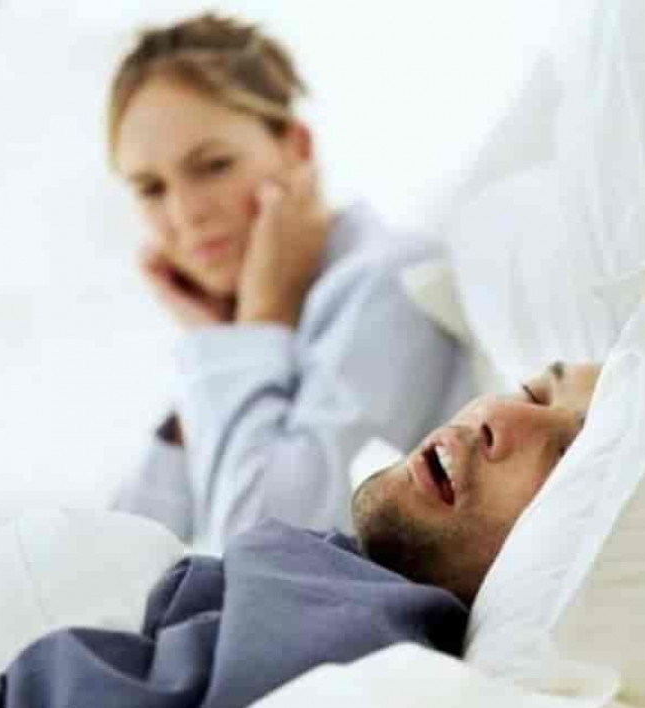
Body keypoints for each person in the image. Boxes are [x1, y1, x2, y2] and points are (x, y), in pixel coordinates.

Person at [0, 362, 599, 708]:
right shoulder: (325, 582)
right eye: (532, 392)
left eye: (570, 456)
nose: (498, 419)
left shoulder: (357, 647)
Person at [108, 13, 473, 551]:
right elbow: (114, 553)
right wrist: (219, 340)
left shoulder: (391, 284)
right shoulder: (240, 335)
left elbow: (265, 551)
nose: (185, 213)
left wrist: (259, 322)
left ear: (296, 147)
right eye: (151, 189)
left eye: (213, 166)